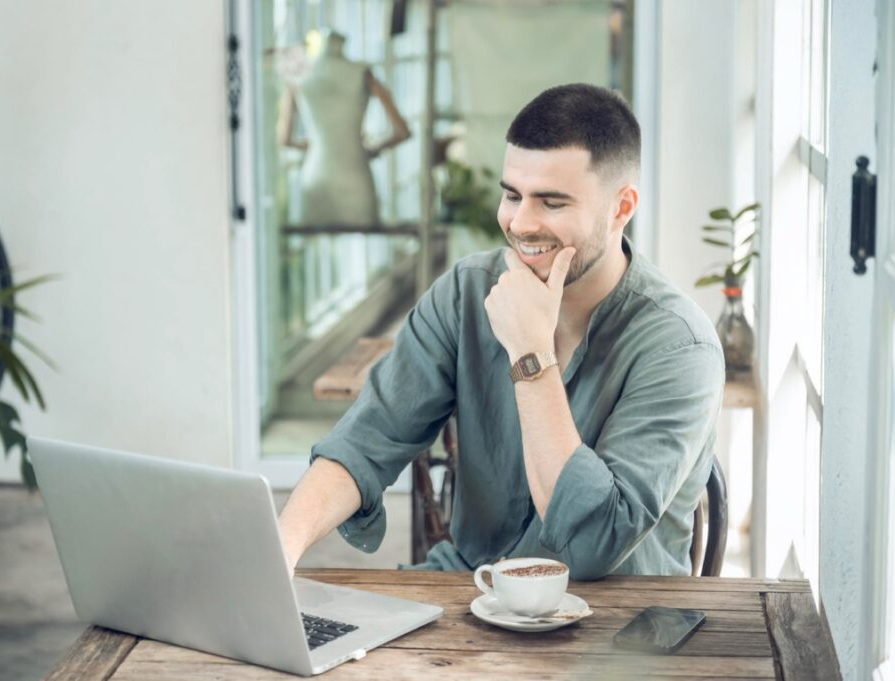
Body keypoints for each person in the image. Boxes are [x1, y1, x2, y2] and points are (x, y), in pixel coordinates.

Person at [278, 83, 725, 579]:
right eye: (512, 195)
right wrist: (279, 550)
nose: (521, 223)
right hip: (471, 589)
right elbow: (365, 442)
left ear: (621, 208)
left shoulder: (681, 347)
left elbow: (592, 545)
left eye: (552, 203)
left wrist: (531, 353)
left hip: (612, 615)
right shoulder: (466, 293)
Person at [276, 29, 410, 227]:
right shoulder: (363, 73)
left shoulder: (299, 76)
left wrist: (317, 145)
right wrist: (372, 149)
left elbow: (284, 139)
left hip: (316, 173)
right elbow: (402, 132)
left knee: (311, 238)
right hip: (356, 173)